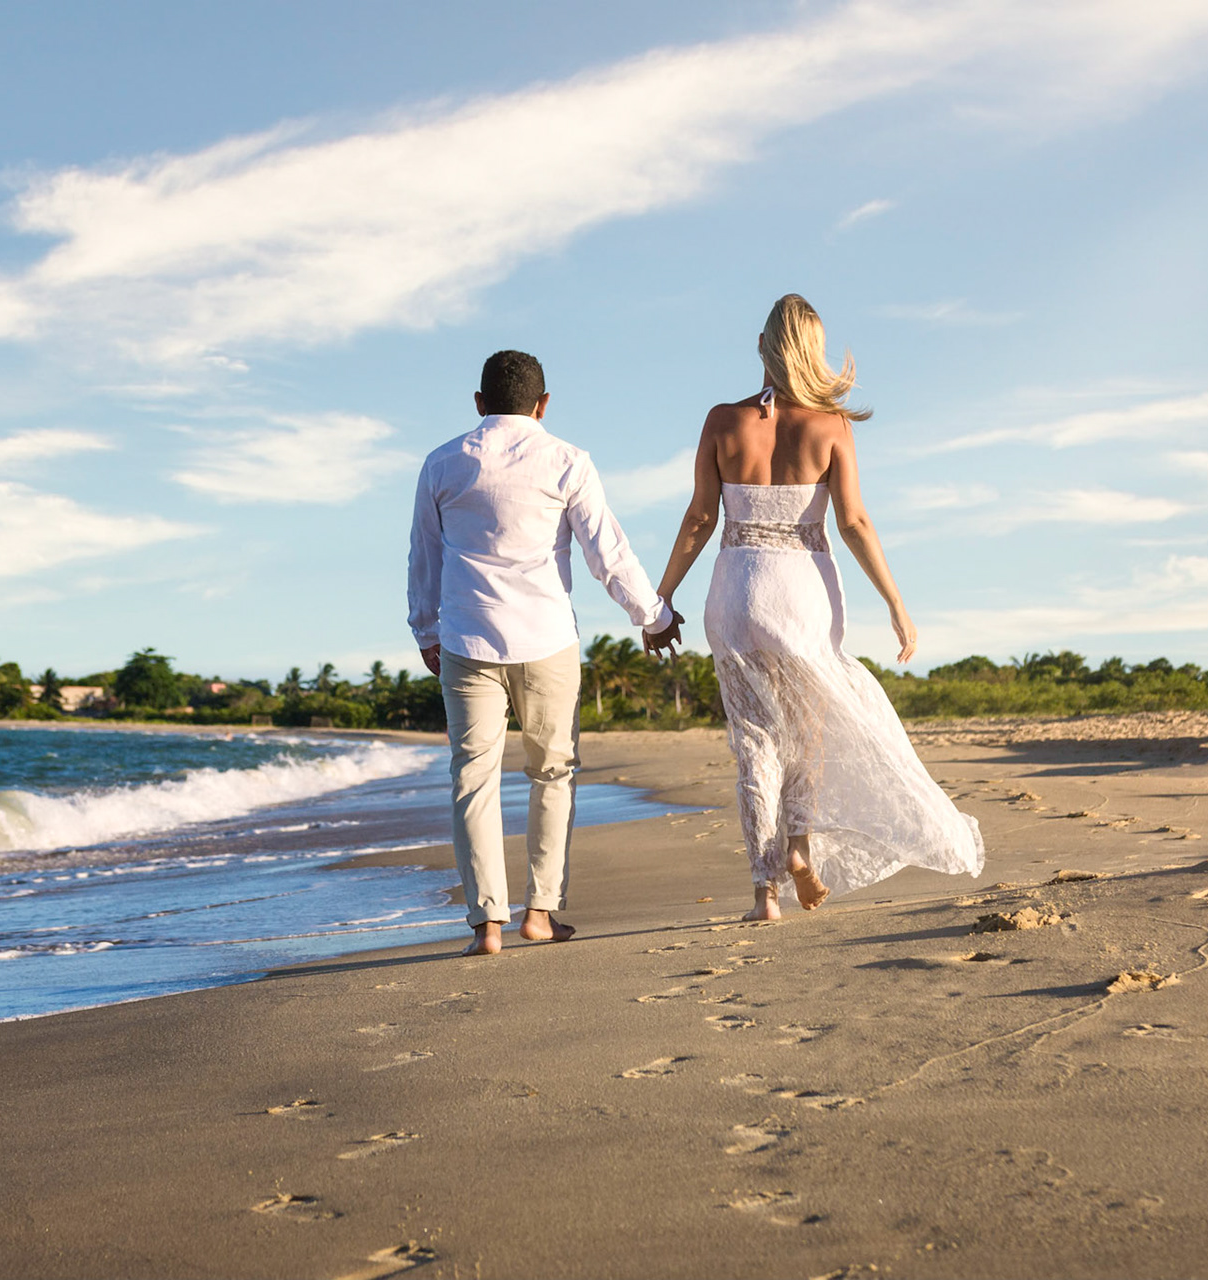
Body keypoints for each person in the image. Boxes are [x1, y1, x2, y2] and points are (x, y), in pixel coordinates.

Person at [650, 295, 984, 921]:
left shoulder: (722, 421)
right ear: (813, 351)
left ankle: (763, 894)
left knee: (753, 741)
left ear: (762, 346)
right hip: (802, 593)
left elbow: (700, 518)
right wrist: (896, 603)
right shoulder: (830, 426)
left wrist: (661, 596)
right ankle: (798, 849)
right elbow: (853, 520)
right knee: (808, 736)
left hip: (736, 591)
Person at [409, 350, 682, 956]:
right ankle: (539, 912)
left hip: (466, 641)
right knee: (552, 774)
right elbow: (607, 553)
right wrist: (654, 616)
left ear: (479, 403)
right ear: (544, 404)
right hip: (548, 641)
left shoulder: (442, 463)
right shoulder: (568, 461)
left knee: (472, 780)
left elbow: (423, 557)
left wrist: (424, 630)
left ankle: (487, 926)